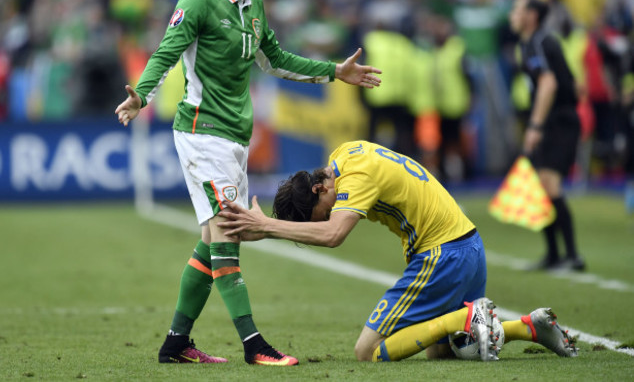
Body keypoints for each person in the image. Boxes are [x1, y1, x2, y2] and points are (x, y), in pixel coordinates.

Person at [114, 0, 381, 366]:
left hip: (234, 138)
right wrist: (142, 94)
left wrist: (335, 71)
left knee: (210, 242)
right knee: (230, 235)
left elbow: (276, 60)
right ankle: (254, 345)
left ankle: (176, 344)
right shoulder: (197, 1)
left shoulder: (254, 6)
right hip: (202, 135)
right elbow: (165, 53)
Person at [218, 140, 578, 362]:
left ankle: (467, 317)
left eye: (321, 213)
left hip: (442, 254)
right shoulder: (344, 155)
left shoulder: (355, 180)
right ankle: (530, 327)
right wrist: (271, 230)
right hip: (469, 244)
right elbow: (327, 224)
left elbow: (333, 235)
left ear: (318, 191)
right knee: (443, 349)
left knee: (367, 351)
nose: (324, 218)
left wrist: (266, 226)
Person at [509, 0, 585, 271]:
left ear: (531, 15)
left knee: (550, 184)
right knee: (541, 187)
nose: (512, 14)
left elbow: (549, 83)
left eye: (516, 9)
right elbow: (573, 83)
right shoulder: (530, 43)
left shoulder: (539, 42)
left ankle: (573, 256)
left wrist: (536, 125)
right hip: (554, 118)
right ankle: (553, 255)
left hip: (557, 121)